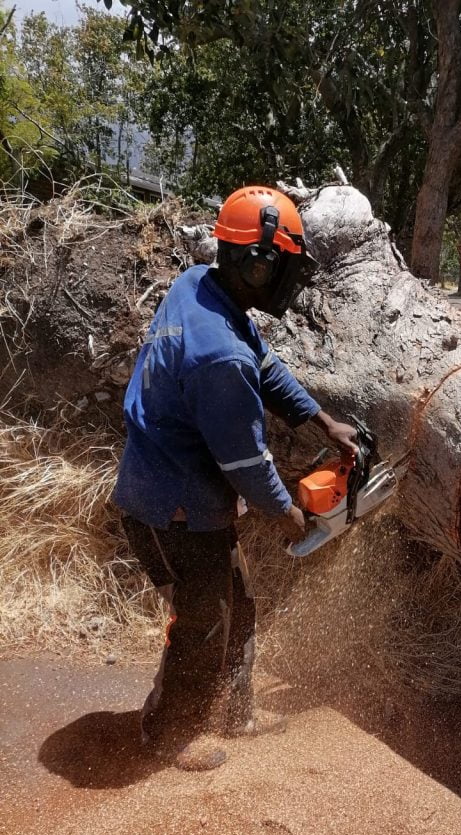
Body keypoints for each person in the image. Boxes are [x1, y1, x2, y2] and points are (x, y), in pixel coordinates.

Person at [113, 185, 357, 771]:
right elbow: (245, 461)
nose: (290, 281)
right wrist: (290, 517)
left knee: (236, 606)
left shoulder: (202, 287)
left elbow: (264, 364)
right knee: (204, 621)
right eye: (285, 266)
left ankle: (226, 710)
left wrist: (319, 419)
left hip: (180, 490)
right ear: (257, 262)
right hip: (170, 509)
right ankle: (170, 730)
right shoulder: (216, 353)